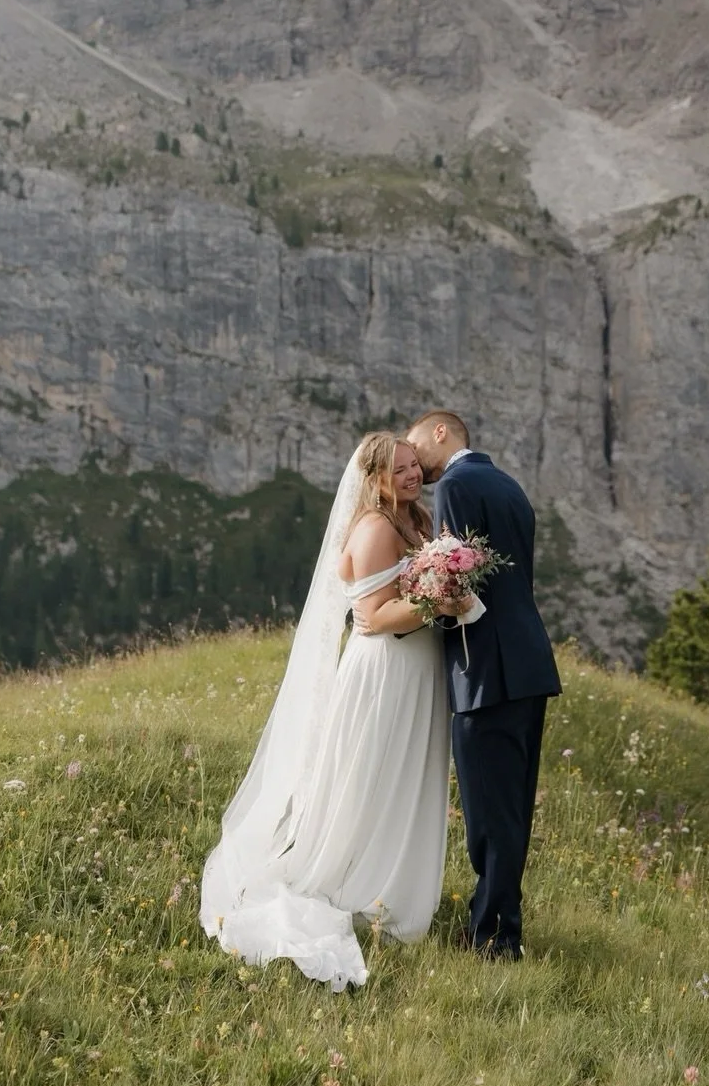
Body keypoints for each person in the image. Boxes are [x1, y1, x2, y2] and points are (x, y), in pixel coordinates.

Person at [199, 432, 468, 990]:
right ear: (374, 479)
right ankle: (355, 883)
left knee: (405, 777)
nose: (412, 475)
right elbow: (374, 616)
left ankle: (392, 884)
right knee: (371, 775)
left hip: (419, 669)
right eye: (399, 469)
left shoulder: (417, 519)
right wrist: (439, 601)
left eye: (414, 465)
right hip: (386, 671)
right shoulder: (374, 528)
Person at [404, 409, 561, 961]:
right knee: (510, 808)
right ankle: (498, 927)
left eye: (415, 445)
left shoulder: (455, 485)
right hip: (528, 664)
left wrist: (421, 609)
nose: (414, 460)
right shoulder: (509, 486)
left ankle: (496, 939)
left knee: (489, 815)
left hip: (486, 669)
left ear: (440, 432)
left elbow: (456, 582)